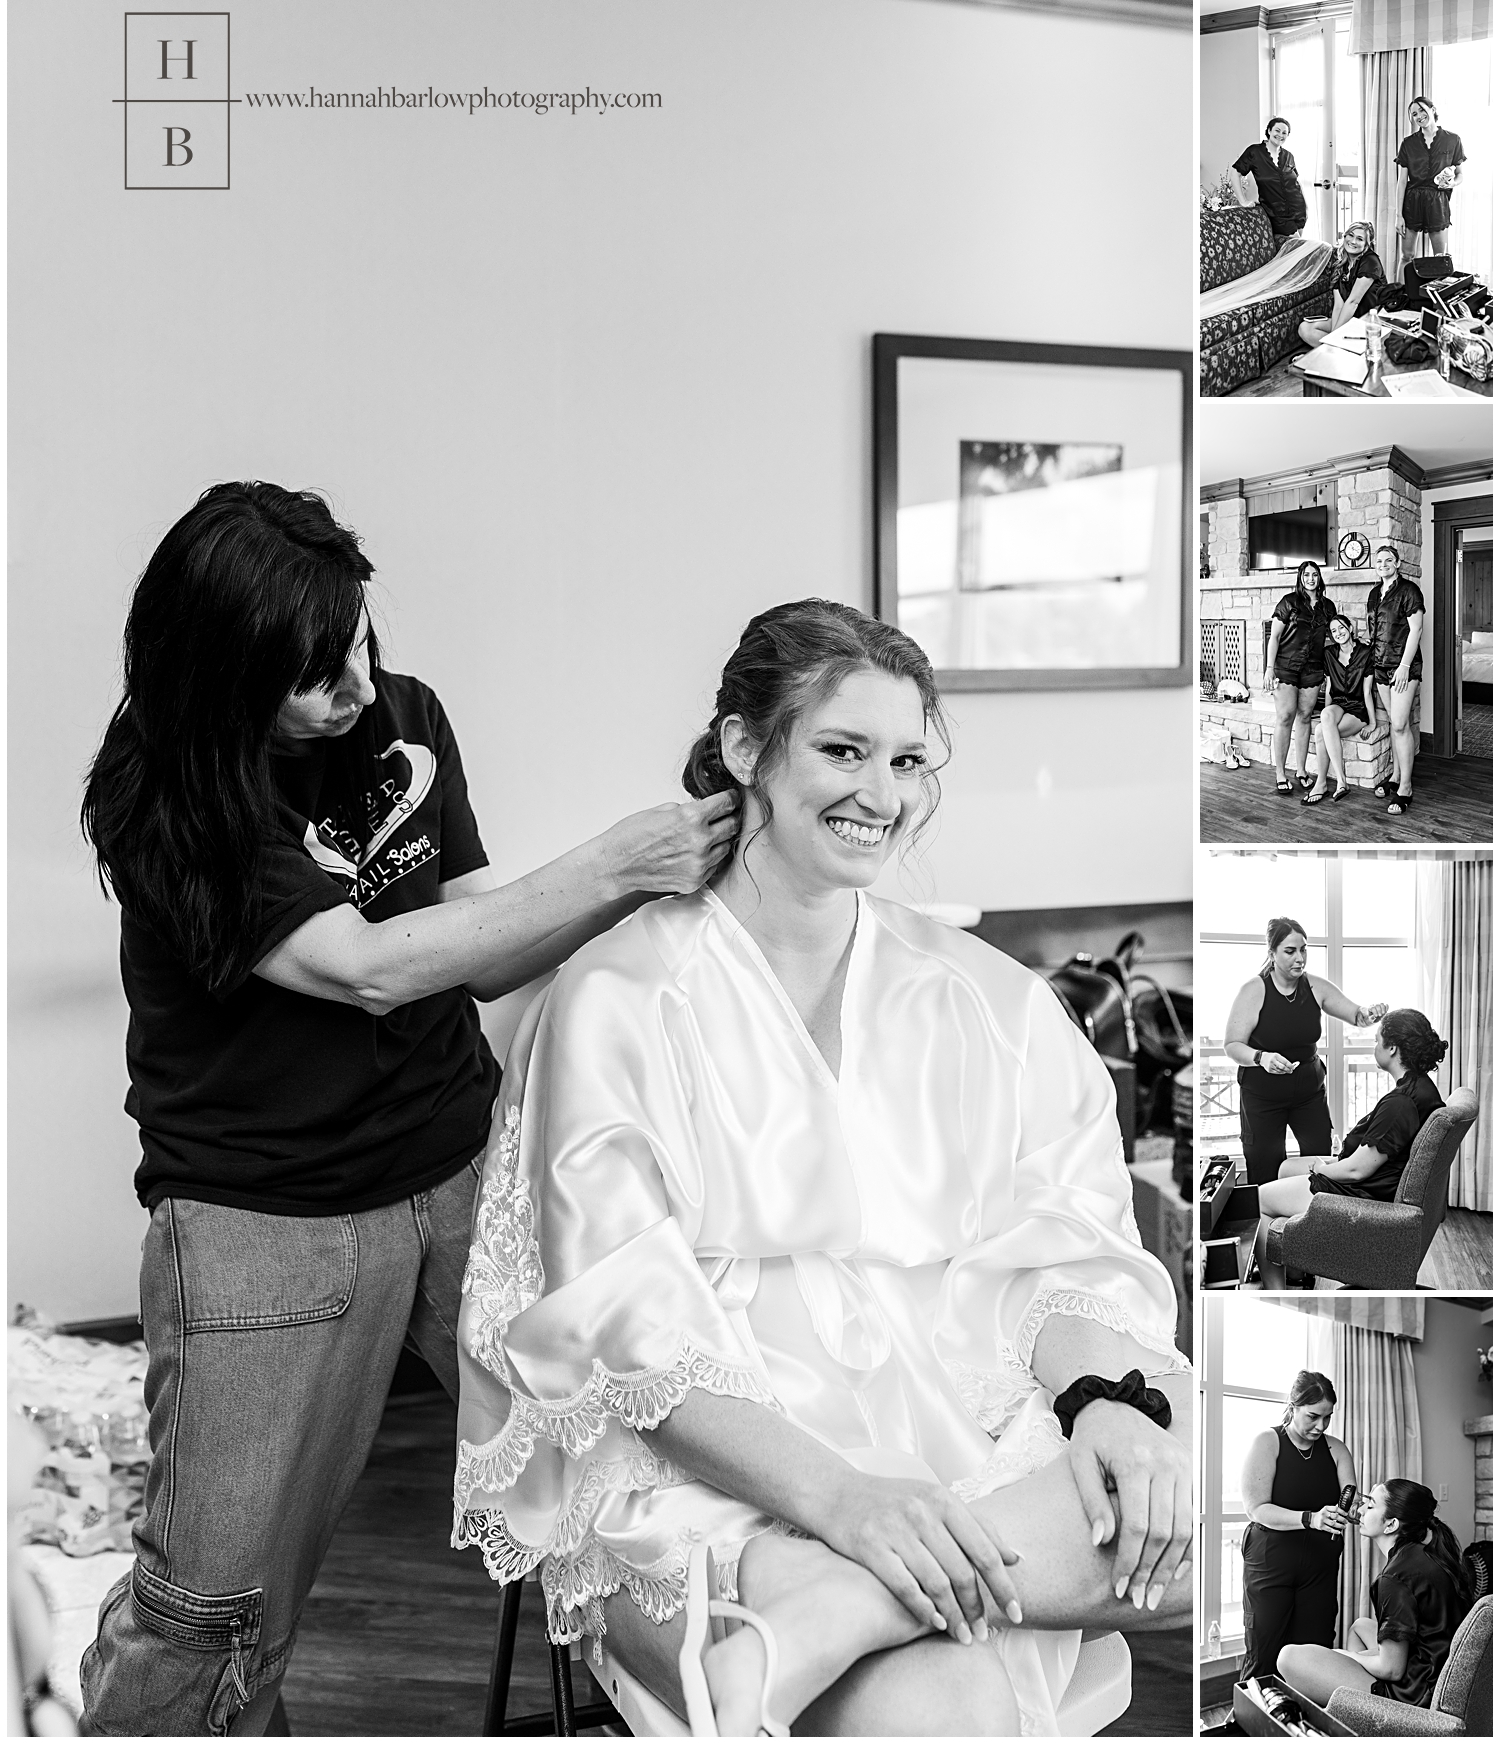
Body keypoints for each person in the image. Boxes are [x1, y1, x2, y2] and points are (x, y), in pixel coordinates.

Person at [452, 599, 1192, 1736]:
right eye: (843, 750)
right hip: (715, 1453)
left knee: (1182, 1509)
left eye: (906, 759)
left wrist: (1106, 1401)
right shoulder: (619, 998)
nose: (883, 795)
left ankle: (841, 1609)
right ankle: (840, 1593)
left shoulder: (986, 999)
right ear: (747, 747)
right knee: (950, 1698)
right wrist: (844, 1501)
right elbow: (626, 1335)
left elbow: (1066, 1237)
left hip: (954, 1408)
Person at [75, 482, 738, 1734]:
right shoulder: (164, 793)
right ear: (221, 681)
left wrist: (649, 901)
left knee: (632, 1461)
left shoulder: (403, 719)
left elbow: (478, 944)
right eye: (320, 677)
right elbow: (370, 966)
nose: (364, 690)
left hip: (460, 1167)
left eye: (364, 643)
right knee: (214, 1601)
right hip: (265, 1219)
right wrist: (617, 860)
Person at [1253, 1010, 1447, 1288]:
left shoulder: (1401, 1104)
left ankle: (1277, 1291)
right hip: (1376, 1182)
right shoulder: (1422, 1088)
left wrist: (1323, 1169)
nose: (1374, 1046)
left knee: (1258, 1199)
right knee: (1285, 1168)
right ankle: (1295, 1268)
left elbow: (1357, 1170)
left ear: (1392, 1048)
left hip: (1361, 1194)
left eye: (1377, 1040)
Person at [1278, 1479, 1475, 1712]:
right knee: (1360, 1626)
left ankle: (1371, 1714)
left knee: (1288, 1657)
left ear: (1391, 1525)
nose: (1360, 1510)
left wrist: (1348, 1656)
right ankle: (1354, 1714)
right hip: (1433, 1669)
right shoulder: (1427, 1556)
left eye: (1370, 1506)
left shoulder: (1395, 1578)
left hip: (1414, 1695)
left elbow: (1391, 1669)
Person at [1222, 918, 1387, 1187]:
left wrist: (1371, 1014)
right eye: (1290, 951)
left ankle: (1315, 1222)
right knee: (1265, 1167)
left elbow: (1357, 1016)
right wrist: (1261, 1058)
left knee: (1321, 1160)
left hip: (1308, 1094)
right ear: (1272, 953)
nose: (1300, 958)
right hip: (1263, 1097)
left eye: (1304, 949)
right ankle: (1270, 1225)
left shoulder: (1315, 986)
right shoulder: (1254, 990)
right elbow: (1232, 1045)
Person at [1239, 1371, 1355, 1685]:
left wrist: (1352, 1511)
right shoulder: (1268, 1442)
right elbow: (1257, 1509)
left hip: (1320, 1565)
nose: (1320, 1426)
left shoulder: (1336, 1450)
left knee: (1315, 1653)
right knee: (1264, 1651)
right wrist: (1311, 1518)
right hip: (1271, 1560)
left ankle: (1305, 1727)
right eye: (1313, 1416)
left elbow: (1349, 1495)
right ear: (1294, 1406)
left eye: (1327, 1418)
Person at [1263, 562, 1338, 796]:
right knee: (1285, 717)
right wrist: (1268, 668)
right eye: (1306, 575)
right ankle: (1280, 773)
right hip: (1285, 667)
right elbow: (1274, 637)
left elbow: (1335, 634)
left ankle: (1302, 771)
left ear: (1320, 578)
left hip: (1313, 670)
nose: (1311, 578)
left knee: (1305, 717)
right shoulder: (1289, 602)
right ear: (1300, 577)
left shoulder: (1328, 607)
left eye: (1315, 574)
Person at [1366, 545, 1425, 816]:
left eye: (1389, 560)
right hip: (1379, 667)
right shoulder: (1373, 594)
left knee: (1401, 725)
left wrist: (1403, 666)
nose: (1384, 564)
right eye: (1379, 561)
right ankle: (1395, 776)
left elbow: (1417, 629)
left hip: (1403, 668)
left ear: (1398, 563)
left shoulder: (1409, 591)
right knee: (1393, 724)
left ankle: (1406, 788)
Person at [1301, 614, 1377, 806]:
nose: (1338, 633)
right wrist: (1329, 720)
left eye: (1342, 628)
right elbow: (1328, 688)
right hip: (1338, 704)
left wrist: (1373, 722)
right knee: (1325, 718)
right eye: (1334, 631)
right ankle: (1340, 782)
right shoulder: (1328, 653)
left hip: (1357, 708)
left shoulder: (1366, 652)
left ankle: (1322, 783)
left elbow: (1367, 692)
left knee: (1319, 732)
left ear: (1351, 629)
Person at [1396, 97, 1466, 269]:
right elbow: (1402, 181)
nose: (1418, 116)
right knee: (1407, 256)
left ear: (1432, 109)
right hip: (1412, 202)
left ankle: (1436, 296)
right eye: (1414, 114)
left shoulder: (1453, 140)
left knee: (1440, 258)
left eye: (1421, 110)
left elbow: (1460, 174)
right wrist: (1399, 216)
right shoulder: (1408, 143)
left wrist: (1452, 184)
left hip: (1438, 203)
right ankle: (1400, 295)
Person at [1297, 222, 1387, 349]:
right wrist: (1335, 335)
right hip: (1350, 320)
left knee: (1335, 337)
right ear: (1344, 236)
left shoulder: (1370, 261)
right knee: (1305, 328)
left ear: (1367, 245)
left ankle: (1329, 352)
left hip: (1368, 323)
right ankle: (1335, 350)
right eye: (1351, 235)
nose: (1353, 241)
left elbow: (1352, 302)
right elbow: (1339, 306)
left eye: (1360, 239)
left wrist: (1334, 336)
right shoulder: (1340, 264)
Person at [1231, 117, 1308, 242]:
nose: (1280, 135)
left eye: (1284, 133)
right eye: (1277, 131)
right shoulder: (1254, 152)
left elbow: (1296, 182)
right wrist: (1243, 201)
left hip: (1298, 209)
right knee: (1296, 246)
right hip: (1276, 212)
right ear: (1269, 131)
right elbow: (1235, 174)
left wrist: (1306, 207)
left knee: (1291, 251)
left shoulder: (1289, 156)